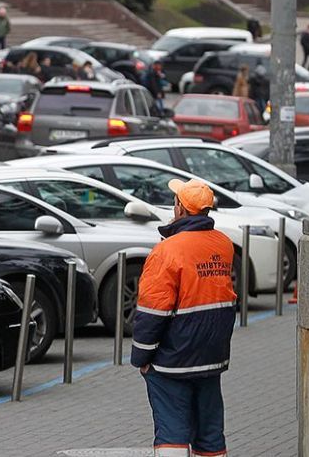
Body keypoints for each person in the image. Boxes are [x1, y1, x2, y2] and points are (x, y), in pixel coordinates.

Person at [132, 178, 236, 457]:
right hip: (212, 355)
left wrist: (141, 358)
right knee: (210, 431)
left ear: (180, 207)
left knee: (172, 431)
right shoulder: (223, 245)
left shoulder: (168, 251)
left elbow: (153, 310)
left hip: (173, 357)